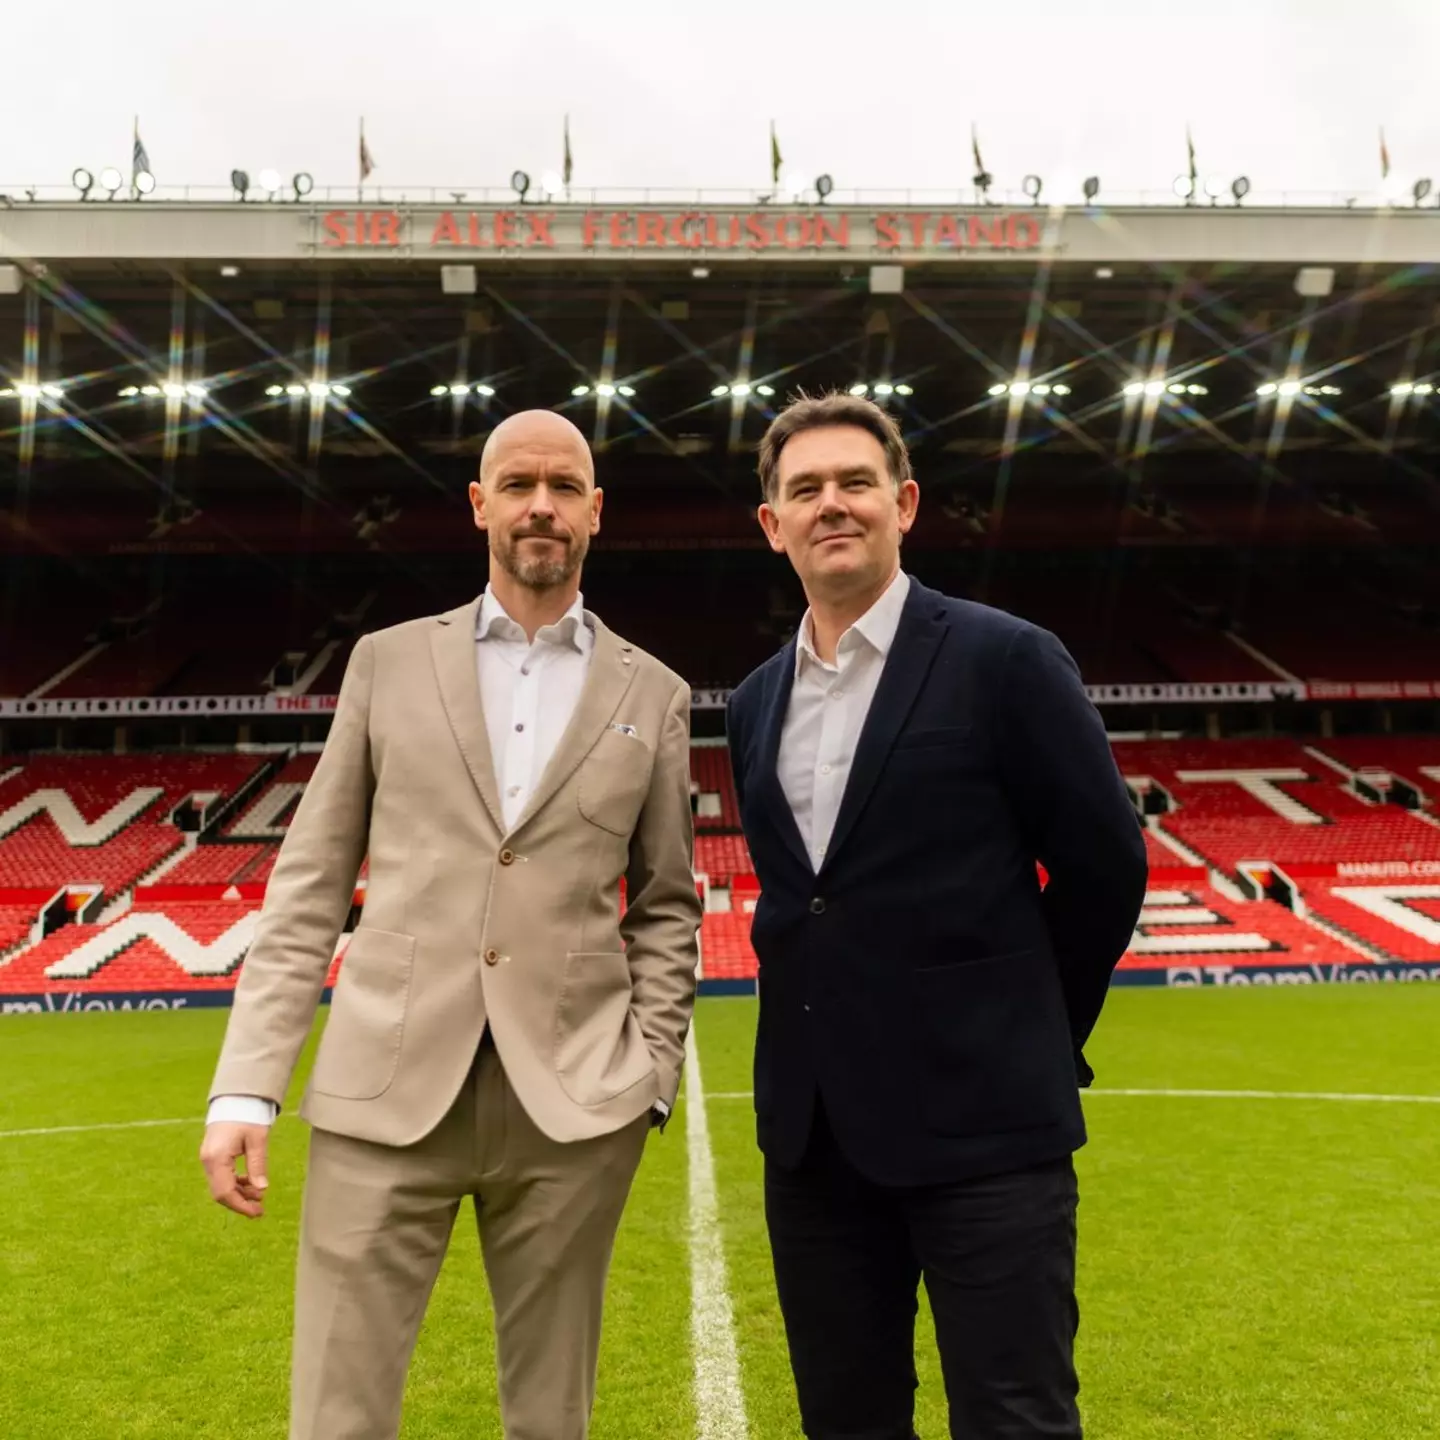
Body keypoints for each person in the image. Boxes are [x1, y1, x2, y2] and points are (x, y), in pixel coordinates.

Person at [200, 409, 702, 1440]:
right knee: (337, 1416)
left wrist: (650, 1080)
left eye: (565, 488)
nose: (541, 507)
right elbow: (308, 886)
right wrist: (248, 1084)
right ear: (478, 505)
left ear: (596, 513)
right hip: (382, 1094)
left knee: (550, 1420)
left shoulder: (653, 694)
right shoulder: (385, 665)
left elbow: (665, 905)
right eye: (518, 485)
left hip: (571, 1113)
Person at [725, 392, 1147, 1440]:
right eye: (805, 489)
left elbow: (1105, 866)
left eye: (855, 483)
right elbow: (807, 903)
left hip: (989, 1137)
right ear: (772, 526)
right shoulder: (751, 703)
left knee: (1014, 1418)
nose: (834, 504)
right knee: (846, 1418)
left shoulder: (1005, 659)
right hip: (815, 1148)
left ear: (904, 504)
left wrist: (1032, 1036)